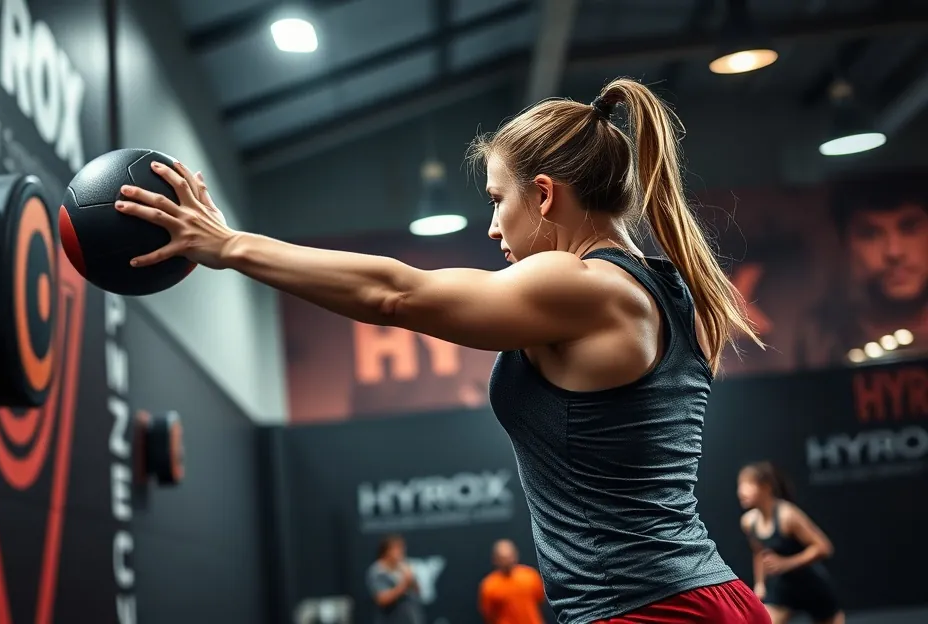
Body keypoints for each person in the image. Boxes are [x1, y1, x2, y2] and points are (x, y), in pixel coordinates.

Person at [115, 77, 770, 623]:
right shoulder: (672, 289)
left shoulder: (585, 284)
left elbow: (395, 294)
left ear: (544, 195)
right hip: (696, 599)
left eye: (496, 201)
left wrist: (230, 246)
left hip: (651, 611)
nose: (491, 227)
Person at [796, 170, 928, 367]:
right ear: (844, 244)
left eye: (909, 228)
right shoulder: (819, 340)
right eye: (871, 234)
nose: (894, 251)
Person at [737, 461, 844, 624]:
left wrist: (787, 563)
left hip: (812, 586)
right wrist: (760, 584)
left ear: (766, 487)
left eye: (747, 484)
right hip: (783, 589)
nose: (741, 492)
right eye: (740, 485)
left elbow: (824, 547)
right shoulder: (748, 522)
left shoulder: (788, 515)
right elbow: (759, 553)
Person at [478, 539, 547, 624]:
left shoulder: (531, 576)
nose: (507, 561)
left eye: (509, 556)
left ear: (515, 555)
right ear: (495, 559)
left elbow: (540, 599)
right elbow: (488, 614)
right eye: (502, 558)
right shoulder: (489, 585)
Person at [364, 534, 425, 624]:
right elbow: (382, 599)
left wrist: (412, 580)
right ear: (386, 551)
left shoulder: (404, 566)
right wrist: (404, 585)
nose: (401, 552)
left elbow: (417, 592)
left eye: (402, 548)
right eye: (397, 549)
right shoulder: (378, 571)